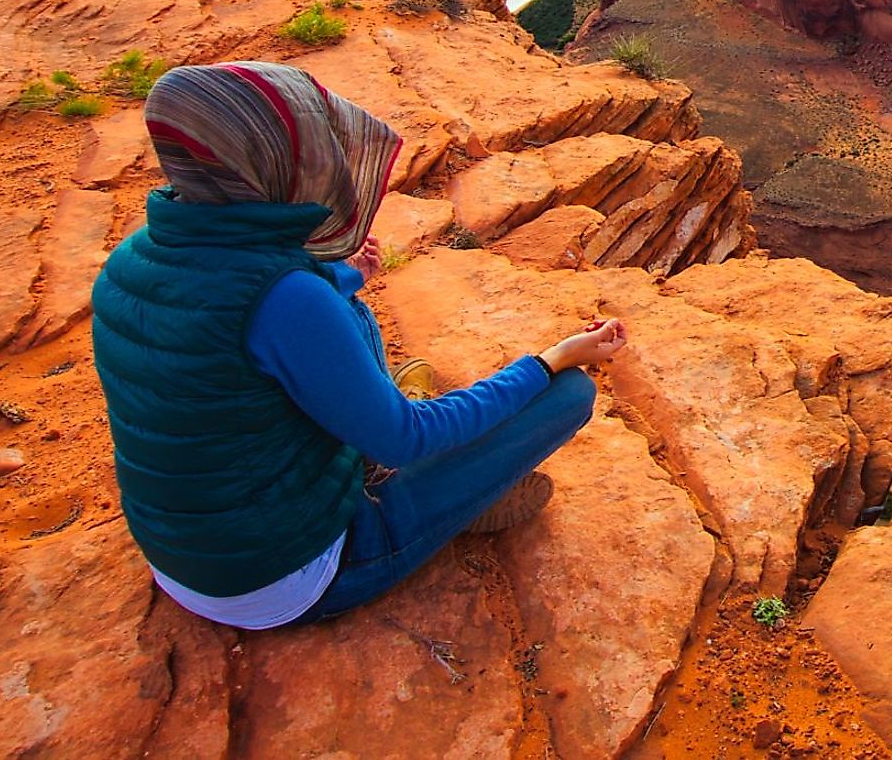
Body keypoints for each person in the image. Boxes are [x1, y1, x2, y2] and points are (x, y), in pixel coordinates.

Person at [91, 61, 626, 630]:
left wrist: (345, 280)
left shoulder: (131, 258)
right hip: (293, 578)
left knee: (347, 310)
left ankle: (399, 442)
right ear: (263, 161)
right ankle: (459, 501)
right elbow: (408, 439)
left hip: (188, 563)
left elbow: (229, 321)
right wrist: (551, 359)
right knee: (566, 395)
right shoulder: (289, 298)